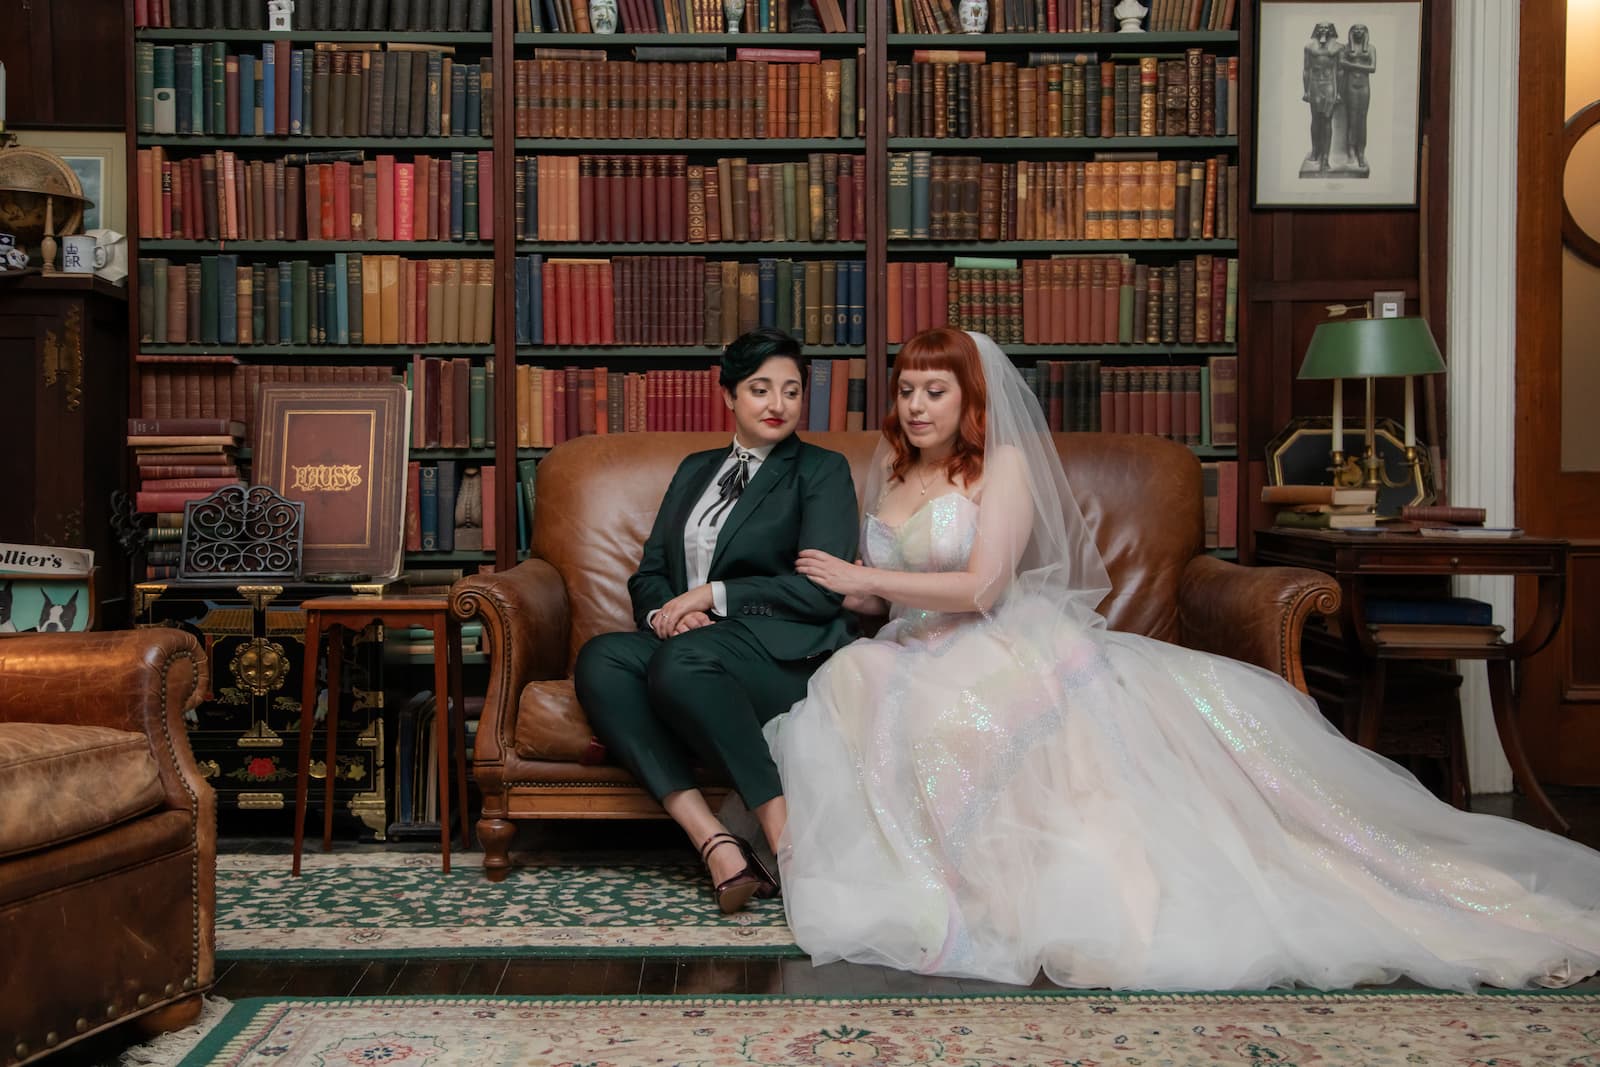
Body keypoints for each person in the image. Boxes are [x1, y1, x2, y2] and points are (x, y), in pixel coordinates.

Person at [765, 327, 1600, 990]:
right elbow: (879, 596)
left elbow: (983, 585)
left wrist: (863, 574)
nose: (916, 405)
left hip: (995, 639)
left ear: (969, 398)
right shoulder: (891, 471)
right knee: (851, 681)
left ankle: (1017, 889)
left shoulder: (1003, 467)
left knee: (969, 718)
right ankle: (937, 880)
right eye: (907, 390)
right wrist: (798, 588)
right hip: (912, 643)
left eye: (934, 391)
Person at [574, 327, 858, 915]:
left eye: (791, 391)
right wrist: (665, 615)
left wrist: (710, 594)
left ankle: (784, 840)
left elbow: (818, 591)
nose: (778, 404)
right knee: (602, 659)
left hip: (784, 656)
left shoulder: (820, 472)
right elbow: (650, 572)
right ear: (728, 395)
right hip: (696, 650)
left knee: (685, 662)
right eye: (760, 389)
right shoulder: (695, 469)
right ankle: (716, 842)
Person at [1303, 22, 1343, 172]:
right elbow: (1306, 69)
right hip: (1314, 85)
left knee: (1327, 120)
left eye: (1327, 28)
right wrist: (1306, 90)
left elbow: (1339, 71)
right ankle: (1315, 151)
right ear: (1316, 30)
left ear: (1331, 30)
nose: (1324, 30)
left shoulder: (1338, 48)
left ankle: (1325, 158)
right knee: (1315, 119)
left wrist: (1338, 92)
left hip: (1329, 86)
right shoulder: (1309, 48)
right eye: (1321, 28)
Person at [1340, 23, 1377, 170]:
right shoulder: (1346, 48)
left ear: (1366, 32)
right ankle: (1350, 150)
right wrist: (1351, 65)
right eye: (1356, 29)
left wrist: (1351, 64)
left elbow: (1372, 68)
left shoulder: (1371, 48)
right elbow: (1341, 63)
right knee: (1352, 118)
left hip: (1364, 86)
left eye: (1362, 29)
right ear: (1351, 32)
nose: (1359, 32)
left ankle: (1361, 152)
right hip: (1350, 86)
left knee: (1362, 119)